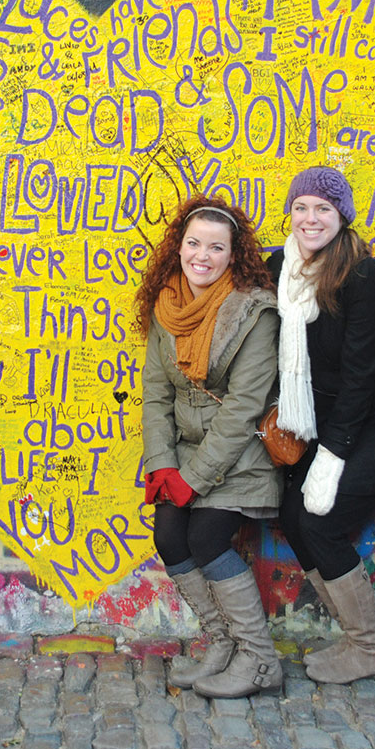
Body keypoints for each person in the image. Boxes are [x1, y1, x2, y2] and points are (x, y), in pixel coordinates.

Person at [268, 166, 375, 684]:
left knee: (319, 518)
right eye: (301, 207)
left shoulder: (360, 276)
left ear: (342, 217)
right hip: (346, 418)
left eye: (323, 208)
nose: (310, 218)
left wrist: (331, 456)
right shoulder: (281, 269)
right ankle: (355, 637)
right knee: (291, 512)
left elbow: (361, 374)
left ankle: (368, 648)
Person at [136, 196, 282, 699]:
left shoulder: (255, 313)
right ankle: (221, 644)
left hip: (240, 458)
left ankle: (261, 661)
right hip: (183, 452)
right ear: (178, 247)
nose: (202, 255)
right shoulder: (166, 306)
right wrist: (162, 465)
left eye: (215, 247)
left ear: (232, 254)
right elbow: (155, 393)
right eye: (193, 243)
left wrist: (192, 479)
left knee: (206, 539)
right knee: (169, 539)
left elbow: (244, 408)